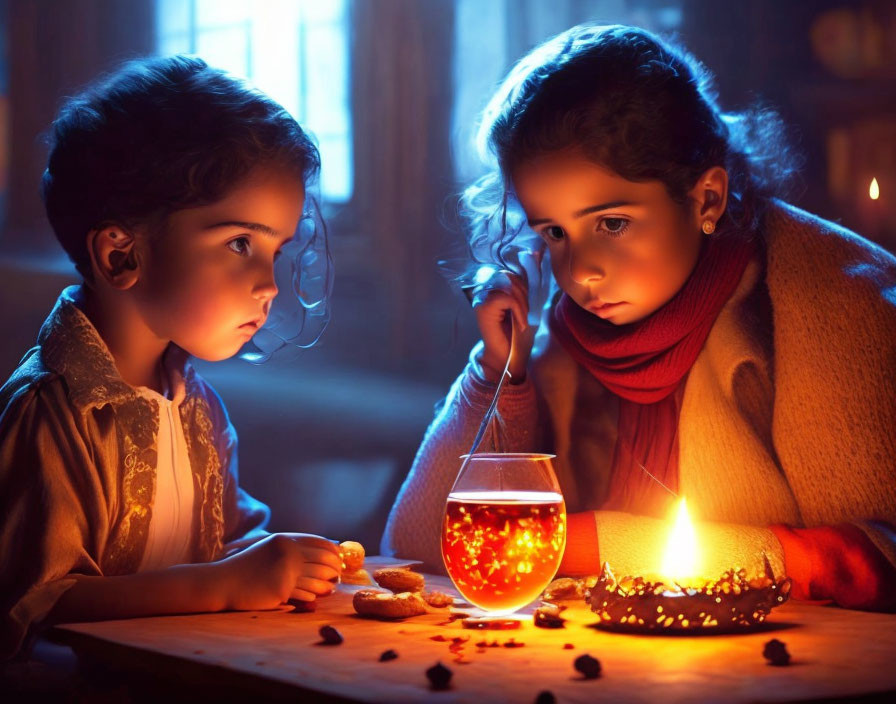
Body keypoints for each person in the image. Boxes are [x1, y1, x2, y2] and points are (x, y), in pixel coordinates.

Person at [383, 24, 896, 611]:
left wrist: (581, 542)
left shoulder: (835, 302)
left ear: (706, 199)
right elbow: (418, 546)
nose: (581, 272)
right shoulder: (561, 332)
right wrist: (500, 373)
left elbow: (874, 561)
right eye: (555, 231)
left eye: (613, 223)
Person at [0, 56, 342, 659]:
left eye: (275, 250)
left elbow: (232, 546)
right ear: (121, 256)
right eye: (240, 243)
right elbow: (35, 606)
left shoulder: (199, 410)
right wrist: (227, 587)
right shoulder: (50, 417)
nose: (269, 285)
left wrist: (292, 565)